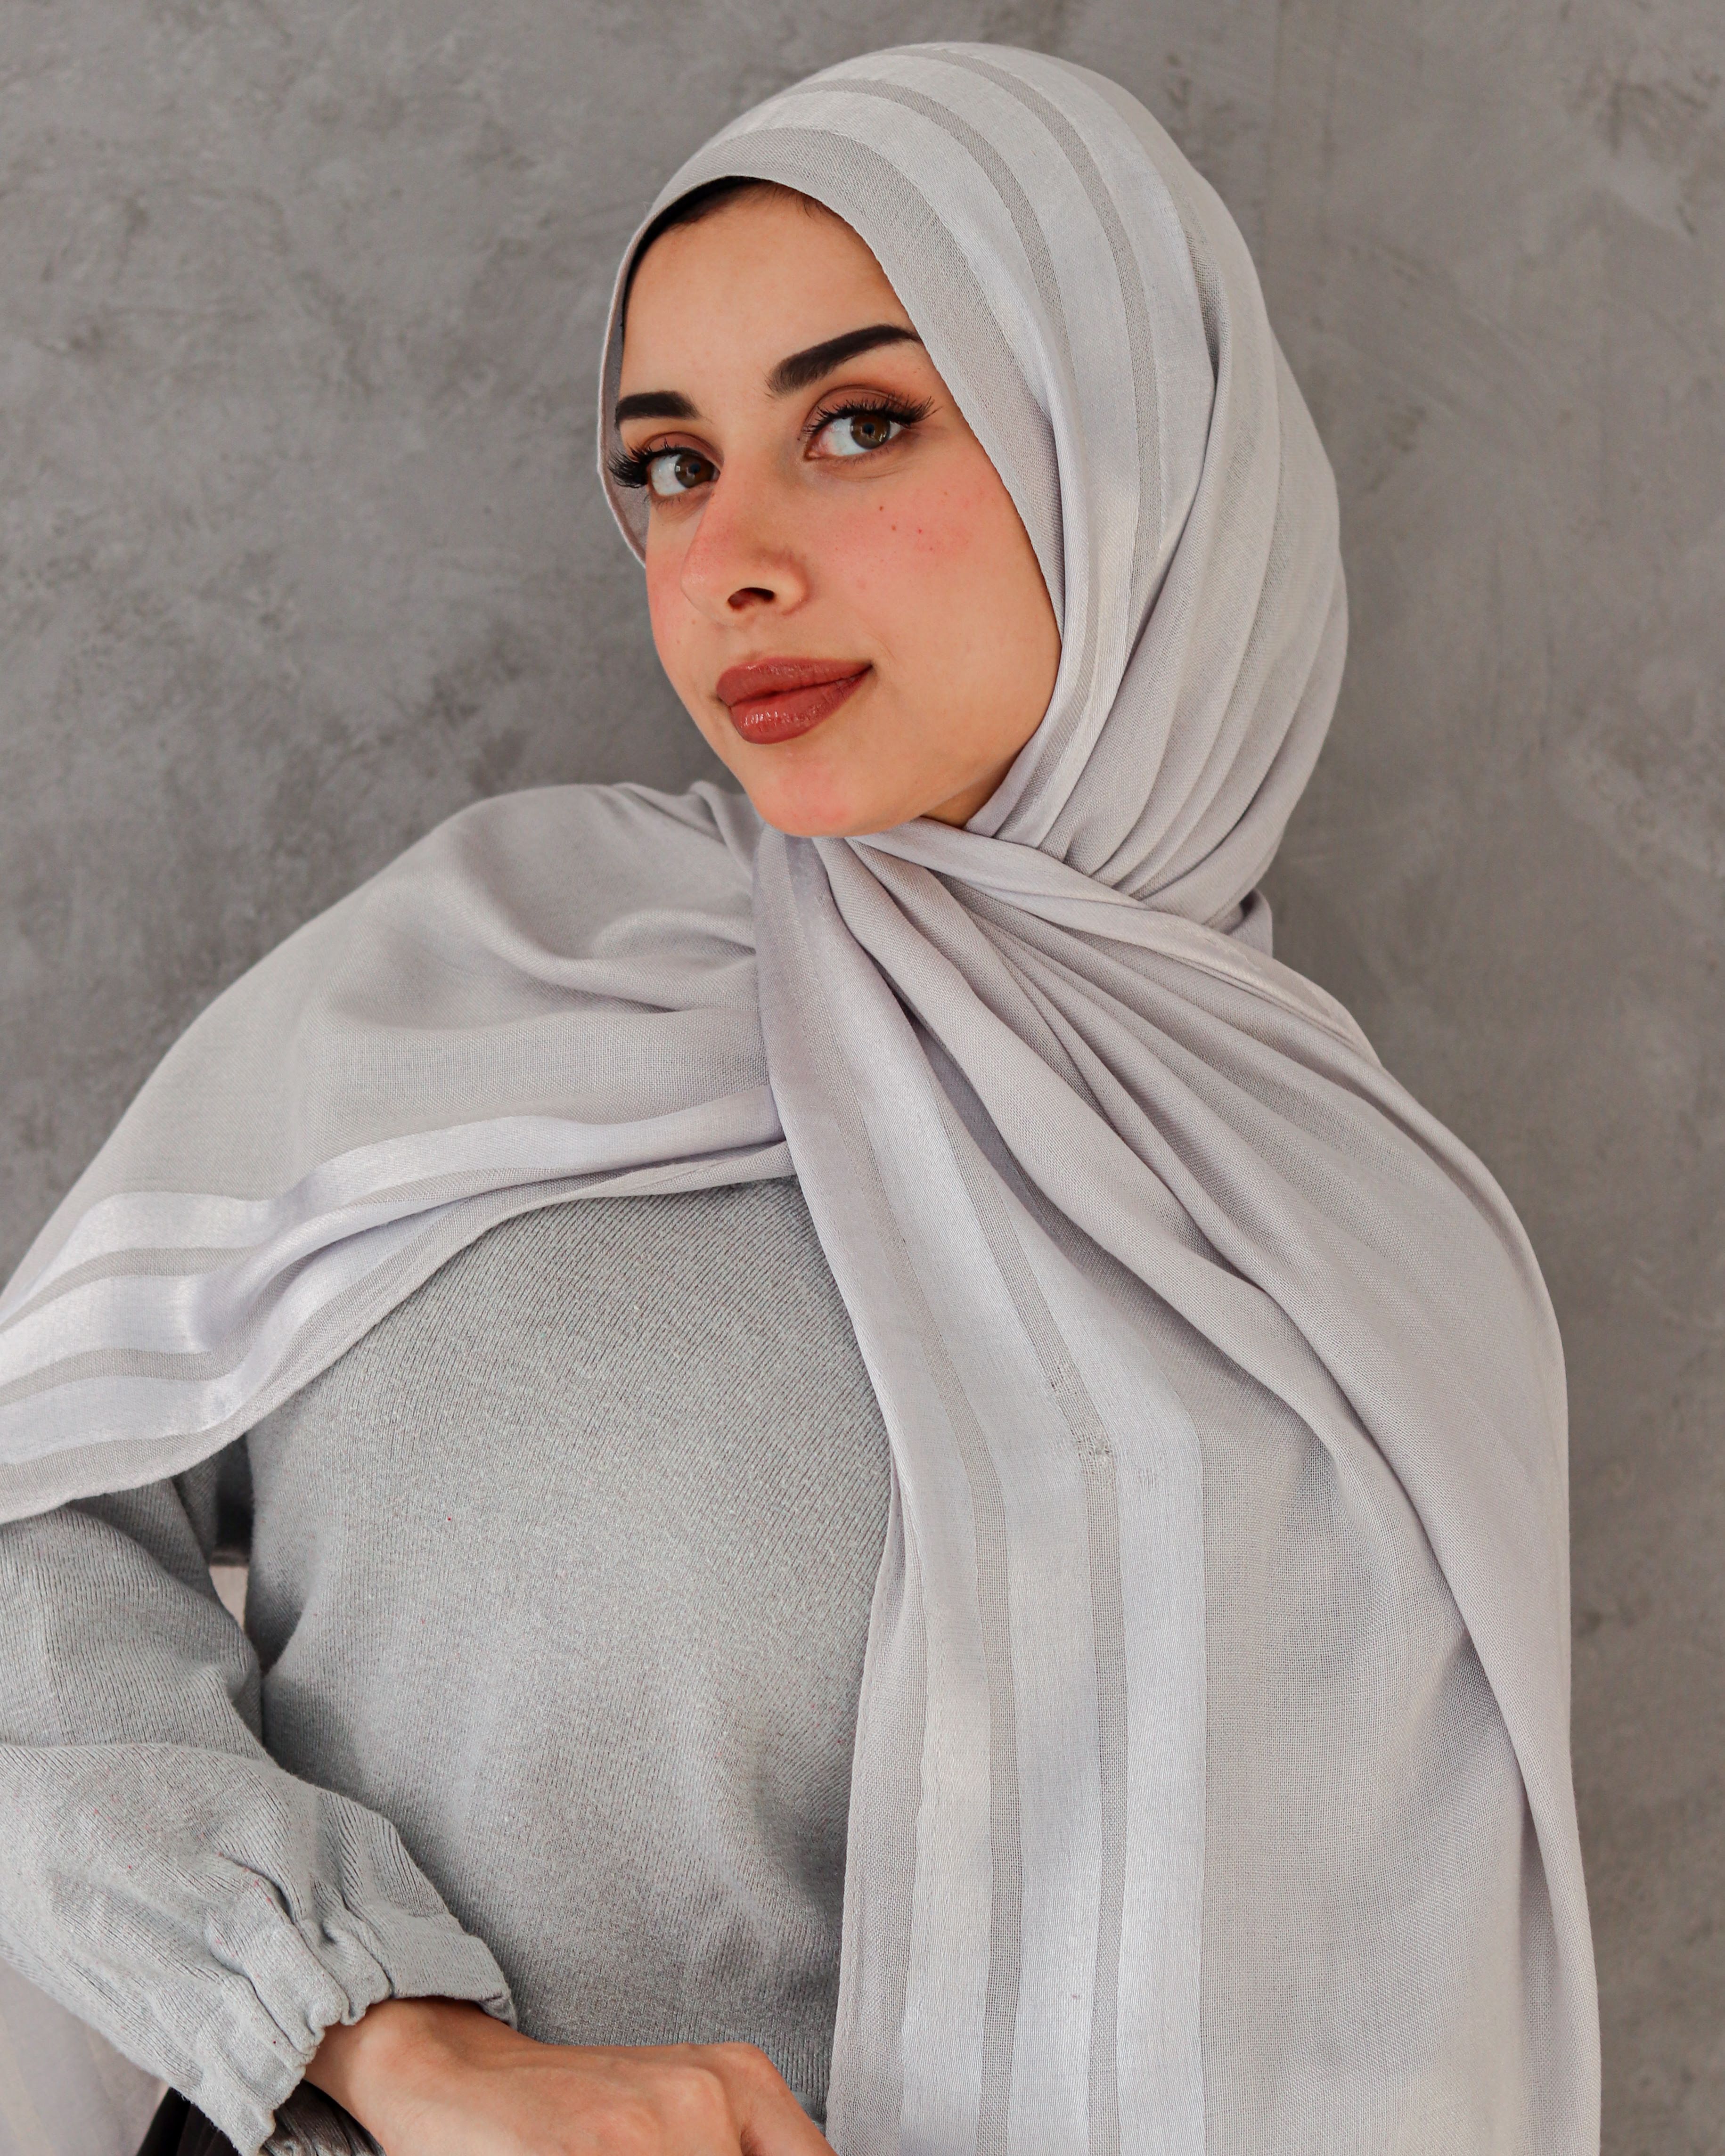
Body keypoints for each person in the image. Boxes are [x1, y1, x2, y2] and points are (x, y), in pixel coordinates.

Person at [0, 42, 1598, 2156]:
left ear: (1129, 458)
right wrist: (374, 2026)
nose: (726, 558)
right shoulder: (491, 978)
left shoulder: (1372, 1263)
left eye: (858, 424)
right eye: (669, 465)